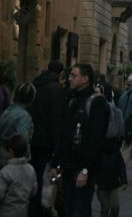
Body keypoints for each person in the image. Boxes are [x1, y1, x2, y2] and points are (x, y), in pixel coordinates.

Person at [50, 63, 108, 217]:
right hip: (68, 167)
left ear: (85, 79)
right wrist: (56, 163)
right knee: (68, 208)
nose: (69, 78)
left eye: (74, 75)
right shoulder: (71, 98)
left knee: (80, 210)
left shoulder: (96, 103)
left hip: (82, 168)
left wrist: (85, 170)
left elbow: (96, 140)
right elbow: (64, 133)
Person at [28, 60, 66, 216]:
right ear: (60, 73)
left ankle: (33, 205)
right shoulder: (56, 89)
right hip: (46, 141)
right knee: (45, 177)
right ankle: (41, 207)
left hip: (33, 137)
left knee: (34, 174)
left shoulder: (35, 84)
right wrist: (57, 146)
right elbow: (55, 120)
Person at [95, 83, 127, 217]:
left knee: (112, 206)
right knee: (105, 207)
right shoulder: (116, 112)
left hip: (111, 177)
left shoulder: (107, 111)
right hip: (104, 178)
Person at [0, 133, 37, 217]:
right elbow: (34, 190)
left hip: (6, 212)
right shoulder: (31, 169)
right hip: (23, 212)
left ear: (11, 151)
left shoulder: (5, 172)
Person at [0, 82, 36, 168]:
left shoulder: (7, 111)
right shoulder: (24, 116)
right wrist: (26, 159)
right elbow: (22, 141)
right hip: (14, 161)